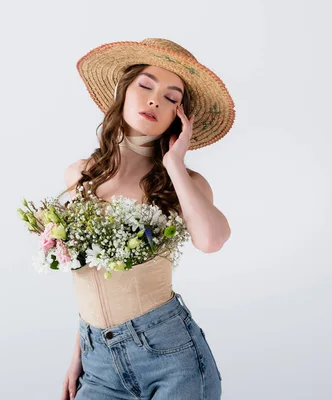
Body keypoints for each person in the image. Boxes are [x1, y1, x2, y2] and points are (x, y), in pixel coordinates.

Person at [58, 38, 235, 400]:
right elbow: (91, 274)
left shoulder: (184, 185)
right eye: (145, 86)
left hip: (172, 360)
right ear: (123, 91)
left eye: (172, 98)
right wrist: (81, 351)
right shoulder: (80, 176)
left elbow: (212, 241)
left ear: (178, 117)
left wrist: (174, 166)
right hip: (98, 364)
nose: (155, 100)